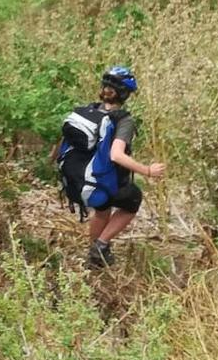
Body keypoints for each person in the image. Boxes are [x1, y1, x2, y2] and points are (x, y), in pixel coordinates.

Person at [54, 66, 164, 269]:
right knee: (132, 200)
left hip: (78, 180)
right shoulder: (123, 120)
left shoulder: (87, 111)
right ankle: (101, 246)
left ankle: (94, 257)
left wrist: (55, 163)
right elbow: (116, 155)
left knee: (103, 209)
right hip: (100, 181)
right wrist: (148, 171)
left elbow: (61, 144)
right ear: (125, 94)